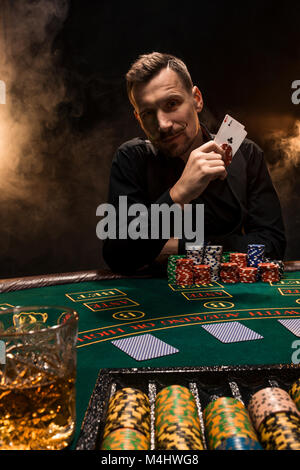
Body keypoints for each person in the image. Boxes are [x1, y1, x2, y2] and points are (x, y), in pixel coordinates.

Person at [102, 52, 286, 274]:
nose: (163, 124)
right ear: (139, 119)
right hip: (161, 304)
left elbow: (273, 245)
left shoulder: (245, 153)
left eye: (172, 104)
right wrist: (178, 195)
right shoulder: (131, 158)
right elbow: (118, 255)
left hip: (235, 298)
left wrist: (177, 247)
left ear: (196, 99)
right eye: (149, 113)